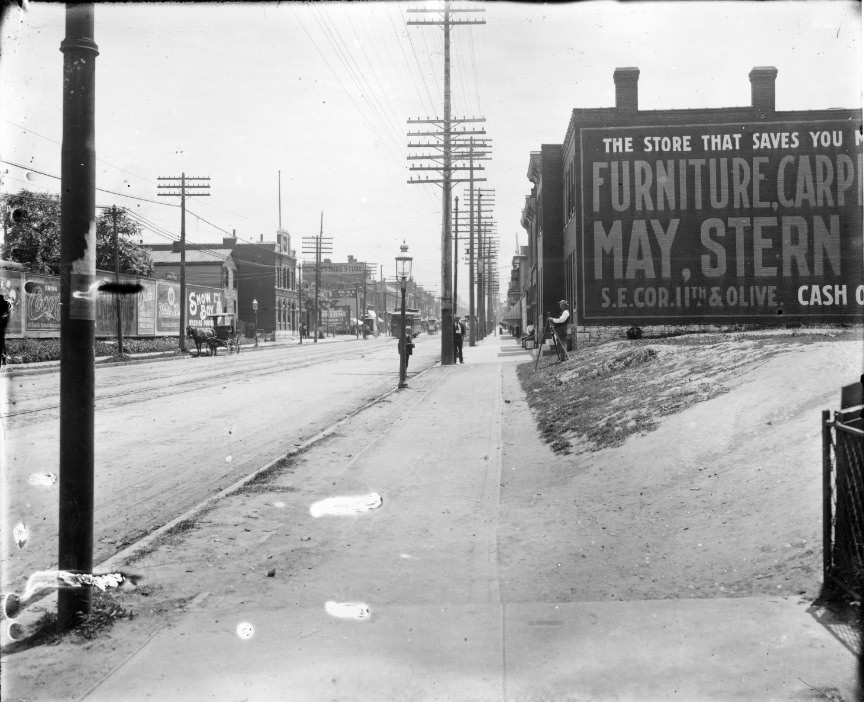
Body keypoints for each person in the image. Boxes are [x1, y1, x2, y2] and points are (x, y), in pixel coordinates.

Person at [0, 293, 9, 367]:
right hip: (2, 328)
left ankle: (3, 358)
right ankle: (4, 358)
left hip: (1, 328)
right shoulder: (6, 305)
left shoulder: (4, 305)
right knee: (2, 343)